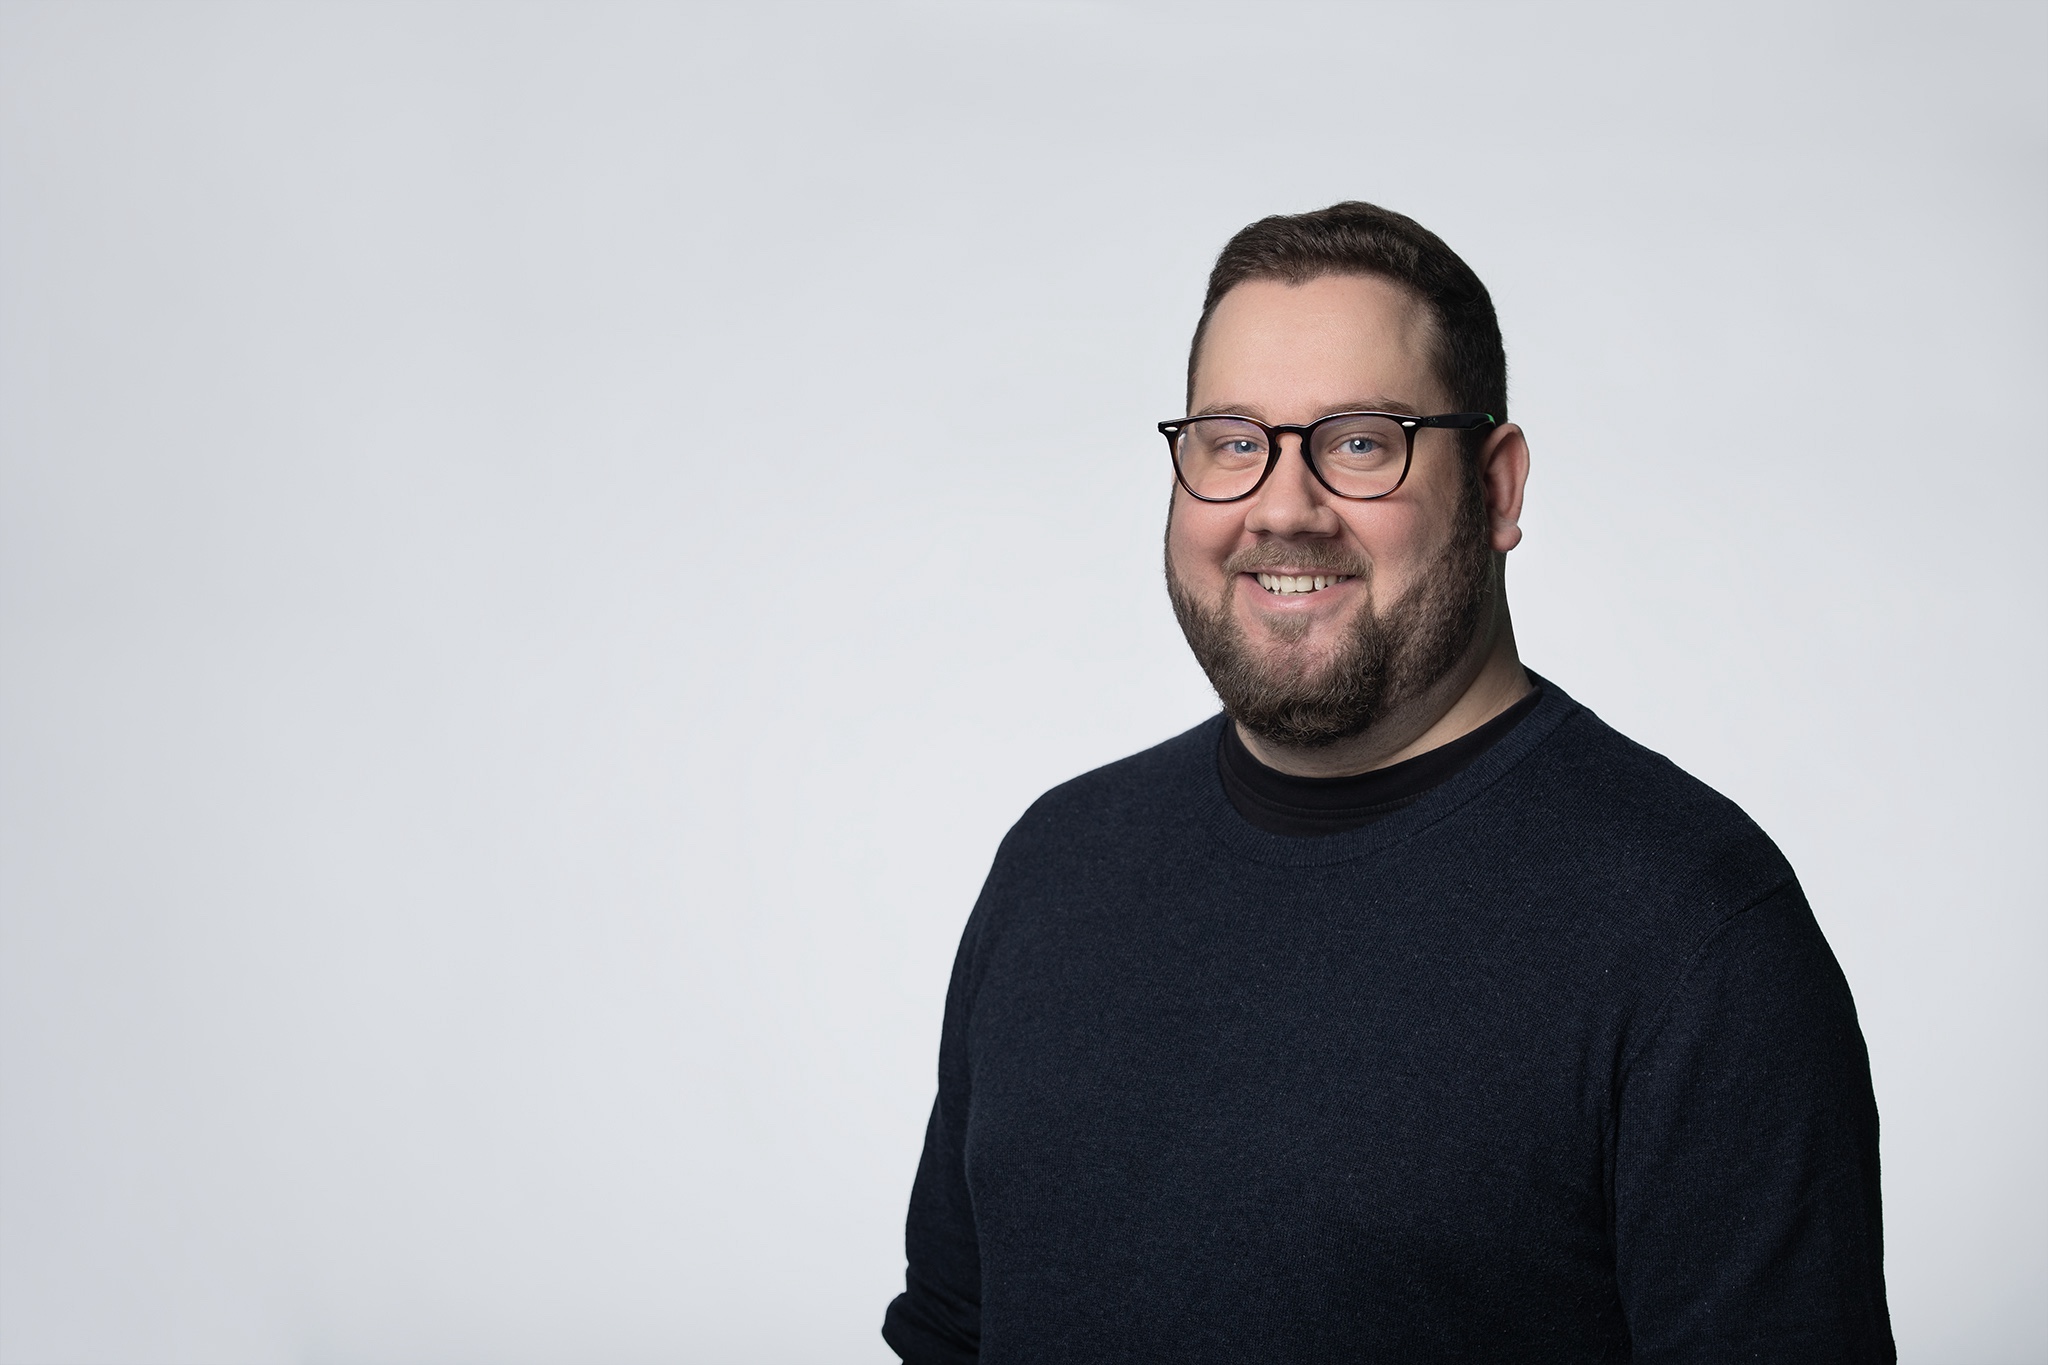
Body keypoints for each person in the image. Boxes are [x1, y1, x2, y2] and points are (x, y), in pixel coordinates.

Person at [881, 201, 1892, 1363]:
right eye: (1229, 440)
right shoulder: (1056, 865)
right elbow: (955, 1335)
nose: (1279, 505)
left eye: (1360, 441)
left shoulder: (1691, 934)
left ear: (1498, 488)